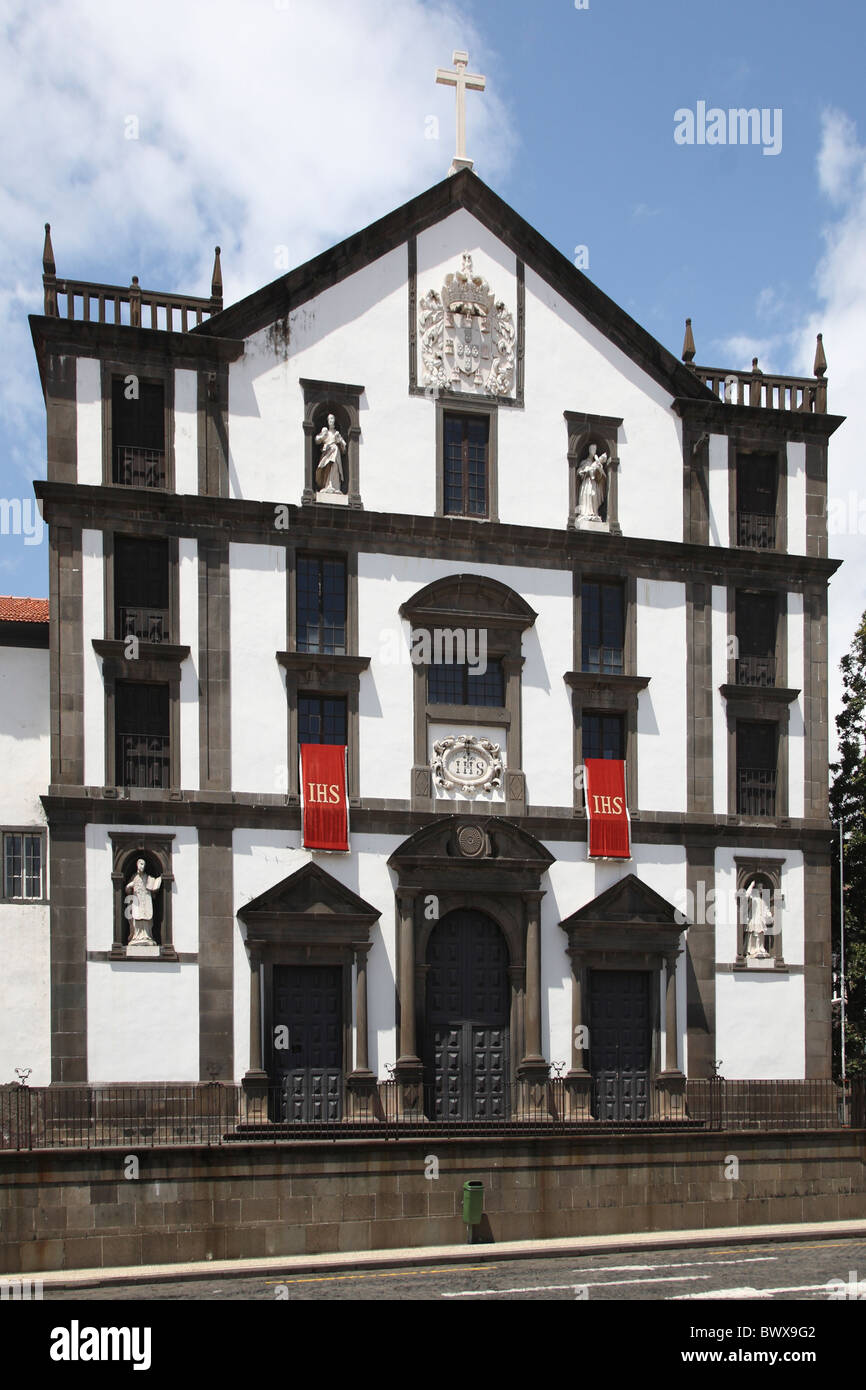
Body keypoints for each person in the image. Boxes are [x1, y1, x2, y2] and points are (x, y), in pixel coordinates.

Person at [125, 857, 162, 945]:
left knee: (146, 918)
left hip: (146, 901)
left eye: (144, 865)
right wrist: (129, 886)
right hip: (136, 902)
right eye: (141, 864)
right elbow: (127, 892)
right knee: (136, 918)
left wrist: (155, 885)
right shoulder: (134, 877)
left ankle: (147, 936)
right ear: (137, 865)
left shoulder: (148, 877)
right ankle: (136, 937)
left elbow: (153, 891)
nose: (142, 866)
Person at [315, 414, 346, 493]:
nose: (331, 420)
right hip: (327, 453)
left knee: (334, 468)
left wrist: (339, 441)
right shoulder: (326, 432)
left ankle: (335, 486)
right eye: (329, 419)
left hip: (335, 452)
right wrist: (322, 435)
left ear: (334, 420)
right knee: (327, 467)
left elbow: (344, 447)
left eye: (332, 418)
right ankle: (327, 485)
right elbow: (316, 440)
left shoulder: (337, 433)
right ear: (327, 421)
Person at [577, 444, 609, 520]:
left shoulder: (597, 463)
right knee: (587, 494)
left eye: (595, 449)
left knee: (594, 495)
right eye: (592, 449)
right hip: (586, 483)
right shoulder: (584, 462)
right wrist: (586, 470)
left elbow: (603, 476)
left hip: (595, 484)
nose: (593, 451)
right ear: (589, 450)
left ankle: (594, 513)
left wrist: (599, 470)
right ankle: (585, 513)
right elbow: (579, 472)